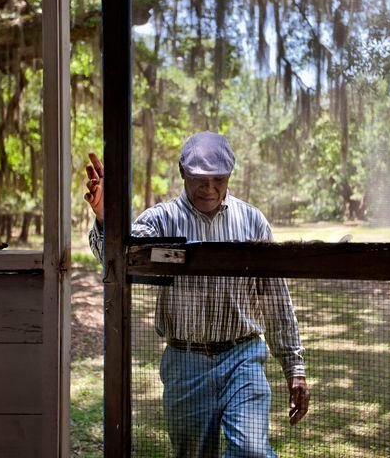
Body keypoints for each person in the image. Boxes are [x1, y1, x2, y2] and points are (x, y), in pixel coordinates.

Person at [84, 131, 310, 457]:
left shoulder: (252, 221)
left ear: (230, 175)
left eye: (219, 179)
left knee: (251, 451)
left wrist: (295, 368)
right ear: (182, 173)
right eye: (200, 179)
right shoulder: (161, 219)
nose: (209, 187)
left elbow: (276, 299)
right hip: (184, 362)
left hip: (242, 358)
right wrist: (105, 217)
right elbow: (116, 257)